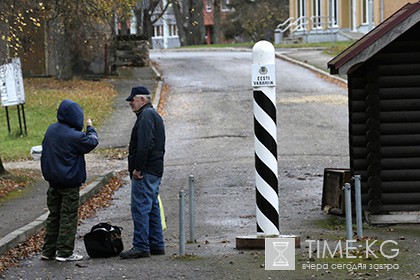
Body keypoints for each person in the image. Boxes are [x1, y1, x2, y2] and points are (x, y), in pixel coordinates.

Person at [40, 99, 99, 262]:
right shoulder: (75, 136)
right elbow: (92, 142)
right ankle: (65, 252)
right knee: (68, 216)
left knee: (54, 216)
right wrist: (90, 128)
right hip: (70, 184)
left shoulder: (51, 130)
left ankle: (48, 250)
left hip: (53, 183)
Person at [120, 86, 166, 259]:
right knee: (152, 206)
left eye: (132, 100)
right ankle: (156, 244)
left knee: (140, 208)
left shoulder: (146, 116)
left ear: (142, 100)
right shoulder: (153, 115)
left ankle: (141, 246)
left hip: (145, 170)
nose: (130, 103)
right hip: (155, 169)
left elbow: (144, 145)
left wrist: (138, 168)